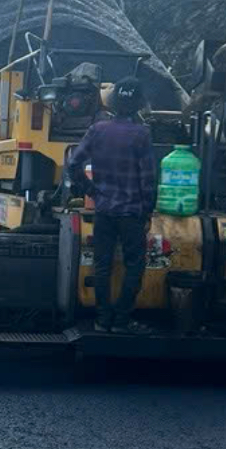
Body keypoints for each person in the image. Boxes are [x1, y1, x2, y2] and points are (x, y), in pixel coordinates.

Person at [65, 77, 156, 333]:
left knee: (102, 265)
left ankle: (102, 320)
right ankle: (122, 320)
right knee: (134, 265)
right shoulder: (142, 134)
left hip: (104, 210)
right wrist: (148, 210)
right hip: (132, 213)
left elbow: (73, 165)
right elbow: (148, 178)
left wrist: (92, 191)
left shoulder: (97, 130)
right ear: (138, 103)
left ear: (113, 101)